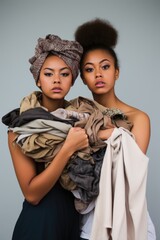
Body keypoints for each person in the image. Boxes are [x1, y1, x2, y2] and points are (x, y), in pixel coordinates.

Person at [74, 18, 156, 240]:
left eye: (105, 66)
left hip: (128, 218)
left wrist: (94, 137)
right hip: (88, 222)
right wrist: (103, 134)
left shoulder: (138, 118)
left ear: (117, 72)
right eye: (90, 69)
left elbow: (130, 170)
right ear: (83, 78)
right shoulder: (76, 114)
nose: (98, 74)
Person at [2, 34, 89, 240]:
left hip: (75, 227)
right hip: (39, 227)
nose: (57, 79)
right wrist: (68, 148)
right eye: (49, 73)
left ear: (73, 80)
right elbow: (32, 195)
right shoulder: (20, 129)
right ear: (38, 80)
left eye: (64, 74)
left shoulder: (85, 121)